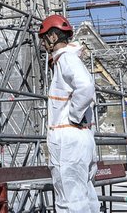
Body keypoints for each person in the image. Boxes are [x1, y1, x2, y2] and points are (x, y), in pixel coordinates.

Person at [38, 13, 99, 213]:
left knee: (70, 200)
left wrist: (73, 115)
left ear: (53, 37)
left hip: (69, 140)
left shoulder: (65, 59)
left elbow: (86, 86)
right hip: (81, 137)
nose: (43, 43)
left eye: (44, 38)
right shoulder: (67, 60)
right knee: (84, 196)